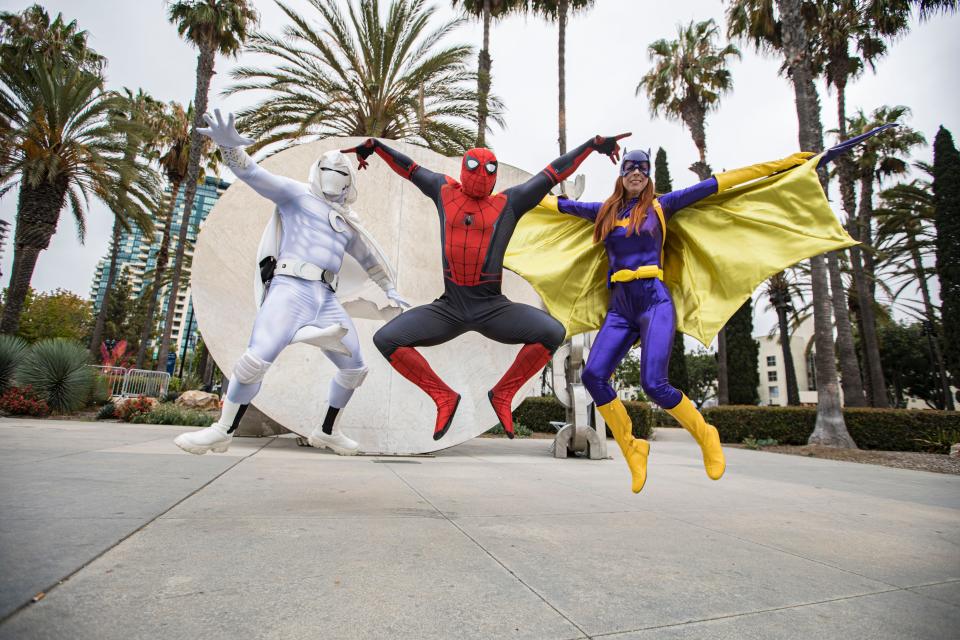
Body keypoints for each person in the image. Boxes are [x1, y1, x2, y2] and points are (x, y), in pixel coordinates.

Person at [507, 127, 890, 492]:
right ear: (620, 176)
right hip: (620, 307)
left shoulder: (662, 207)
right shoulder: (603, 213)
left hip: (654, 301)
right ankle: (631, 447)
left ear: (648, 177)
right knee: (593, 376)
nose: (636, 173)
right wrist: (507, 195)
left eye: (642, 168)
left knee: (654, 384)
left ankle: (706, 434)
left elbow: (726, 182)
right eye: (630, 168)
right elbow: (554, 203)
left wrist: (796, 163)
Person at [342, 133, 628, 440]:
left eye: (489, 169)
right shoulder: (443, 190)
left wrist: (590, 146)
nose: (481, 174)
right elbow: (409, 168)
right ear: (464, 168)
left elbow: (553, 173)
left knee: (552, 332)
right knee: (387, 339)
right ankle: (443, 397)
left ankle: (503, 394)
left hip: (492, 307)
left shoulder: (509, 203)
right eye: (475, 166)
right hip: (449, 307)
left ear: (496, 177)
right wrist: (377, 146)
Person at [174, 110, 408, 457]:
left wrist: (389, 289)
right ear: (316, 171)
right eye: (327, 168)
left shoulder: (345, 222)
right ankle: (223, 429)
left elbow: (370, 259)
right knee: (256, 360)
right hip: (290, 289)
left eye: (341, 171)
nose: (333, 175)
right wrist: (228, 148)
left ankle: (328, 430)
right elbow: (251, 173)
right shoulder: (295, 195)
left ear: (349, 181)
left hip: (325, 298)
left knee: (355, 368)